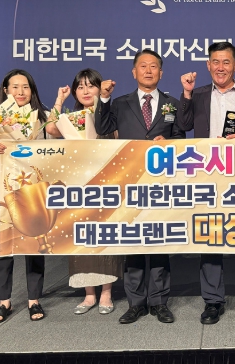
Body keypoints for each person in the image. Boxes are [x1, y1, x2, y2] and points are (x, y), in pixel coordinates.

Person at [178, 41, 235, 324]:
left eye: (226, 62)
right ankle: (213, 301)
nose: (221, 67)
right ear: (208, 65)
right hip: (208, 172)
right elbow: (183, 124)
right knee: (210, 234)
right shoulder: (198, 93)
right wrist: (186, 93)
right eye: (215, 62)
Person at [96, 49, 184, 324]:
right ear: (134, 72)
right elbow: (102, 126)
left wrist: (169, 143)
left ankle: (159, 301)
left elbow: (181, 137)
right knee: (133, 242)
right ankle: (135, 303)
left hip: (160, 183)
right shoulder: (119, 103)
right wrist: (104, 98)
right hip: (130, 182)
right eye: (143, 66)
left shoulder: (172, 103)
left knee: (158, 242)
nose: (148, 70)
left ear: (161, 73)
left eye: (153, 66)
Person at [51, 69, 123, 315]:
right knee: (82, 238)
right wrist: (59, 100)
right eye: (80, 87)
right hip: (78, 186)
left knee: (106, 239)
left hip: (106, 184)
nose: (85, 91)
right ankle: (88, 294)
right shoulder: (70, 118)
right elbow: (52, 129)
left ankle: (106, 293)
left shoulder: (109, 113)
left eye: (90, 86)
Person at [0, 69, 49, 323]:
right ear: (6, 90)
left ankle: (34, 299)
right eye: (15, 87)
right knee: (4, 247)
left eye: (25, 87)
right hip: (2, 192)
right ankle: (4, 301)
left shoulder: (42, 118)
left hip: (33, 191)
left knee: (34, 245)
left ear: (32, 91)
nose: (20, 92)